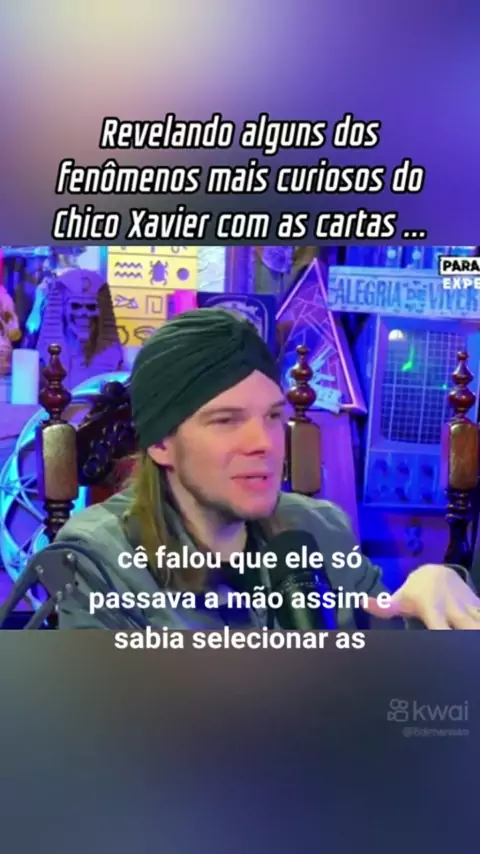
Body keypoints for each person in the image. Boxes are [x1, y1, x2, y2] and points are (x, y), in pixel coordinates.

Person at [27, 309, 480, 630]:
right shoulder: (98, 557)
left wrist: (431, 595)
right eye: (226, 420)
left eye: (273, 416)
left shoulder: (320, 529)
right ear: (162, 443)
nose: (264, 443)